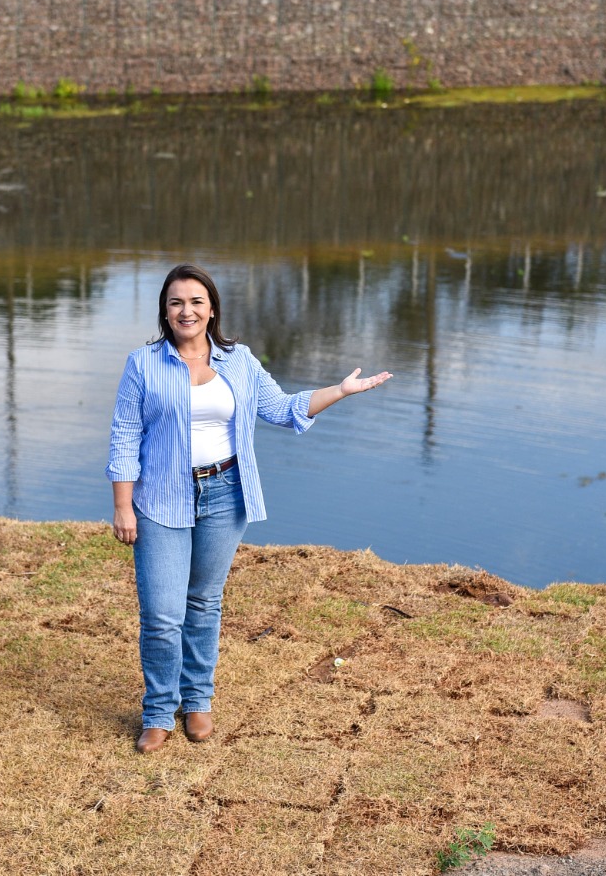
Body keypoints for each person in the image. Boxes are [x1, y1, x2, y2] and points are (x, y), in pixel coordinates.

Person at [106, 263, 392, 754]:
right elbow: (125, 436)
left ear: (212, 308)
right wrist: (123, 506)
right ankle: (158, 710)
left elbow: (281, 408)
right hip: (159, 499)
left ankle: (197, 701)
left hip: (224, 494)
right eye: (176, 302)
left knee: (203, 602)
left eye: (196, 301)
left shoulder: (238, 361)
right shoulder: (143, 364)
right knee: (161, 614)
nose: (186, 310)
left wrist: (340, 392)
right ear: (165, 311)